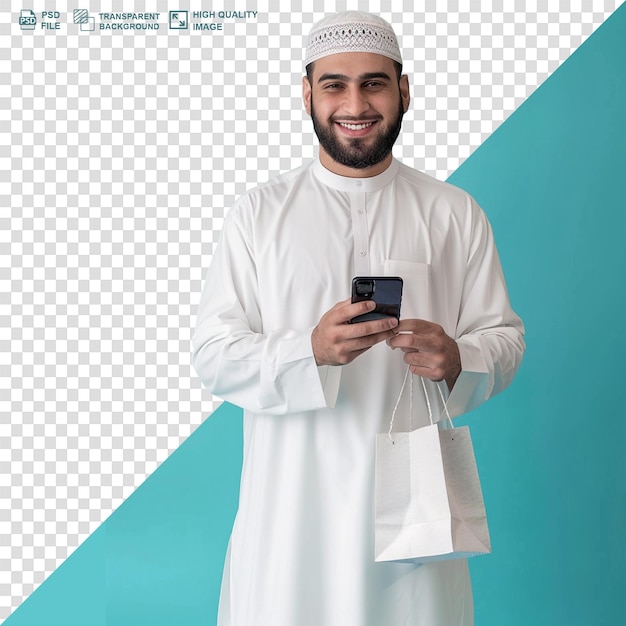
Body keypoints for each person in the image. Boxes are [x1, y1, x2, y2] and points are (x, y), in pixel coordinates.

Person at [192, 11, 525, 626]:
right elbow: (213, 354)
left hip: (412, 521)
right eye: (334, 84)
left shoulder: (453, 212)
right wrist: (307, 350)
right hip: (291, 515)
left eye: (373, 83)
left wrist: (460, 358)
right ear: (306, 93)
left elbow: (503, 337)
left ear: (404, 90)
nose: (355, 102)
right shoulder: (259, 215)